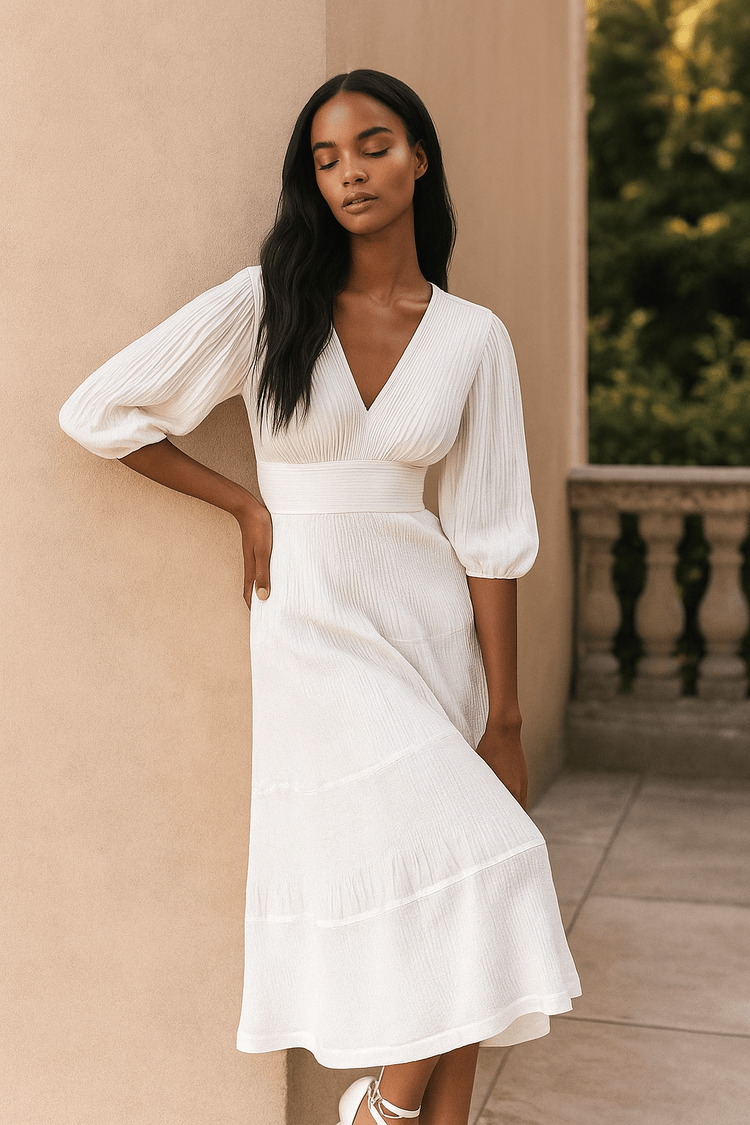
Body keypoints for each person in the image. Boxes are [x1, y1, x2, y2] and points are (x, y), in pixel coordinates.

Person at [59, 69, 581, 1125]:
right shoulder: (268, 304)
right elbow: (99, 411)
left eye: (373, 145)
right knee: (480, 868)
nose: (350, 173)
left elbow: (488, 535)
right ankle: (383, 1109)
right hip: (311, 626)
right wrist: (248, 508)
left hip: (429, 621)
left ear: (420, 157)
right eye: (326, 159)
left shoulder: (473, 337)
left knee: (471, 882)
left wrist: (506, 713)